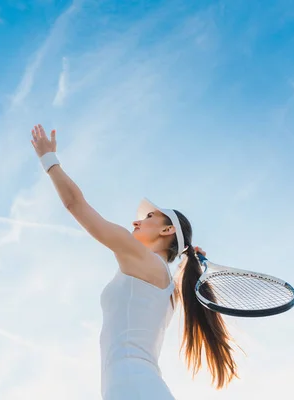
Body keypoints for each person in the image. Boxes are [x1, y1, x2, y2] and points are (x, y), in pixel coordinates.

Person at [31, 125, 238, 399]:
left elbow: (75, 205)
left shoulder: (146, 262)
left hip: (133, 386)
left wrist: (49, 160)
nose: (137, 220)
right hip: (136, 386)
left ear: (167, 231)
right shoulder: (163, 279)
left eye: (150, 217)